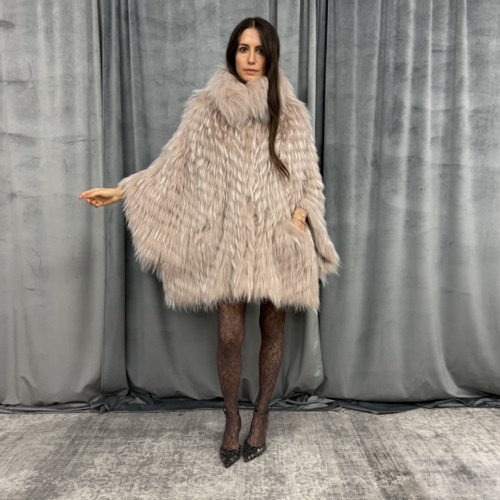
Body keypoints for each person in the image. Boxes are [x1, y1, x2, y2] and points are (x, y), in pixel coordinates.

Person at [79, 17, 339, 468]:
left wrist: (299, 219)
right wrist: (120, 191)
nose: (251, 59)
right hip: (229, 238)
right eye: (243, 49)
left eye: (259, 50)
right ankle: (231, 418)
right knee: (229, 334)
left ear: (271, 55)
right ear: (232, 52)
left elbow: (308, 178)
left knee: (273, 328)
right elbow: (172, 165)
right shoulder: (206, 108)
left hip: (279, 235)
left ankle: (262, 416)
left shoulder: (290, 111)